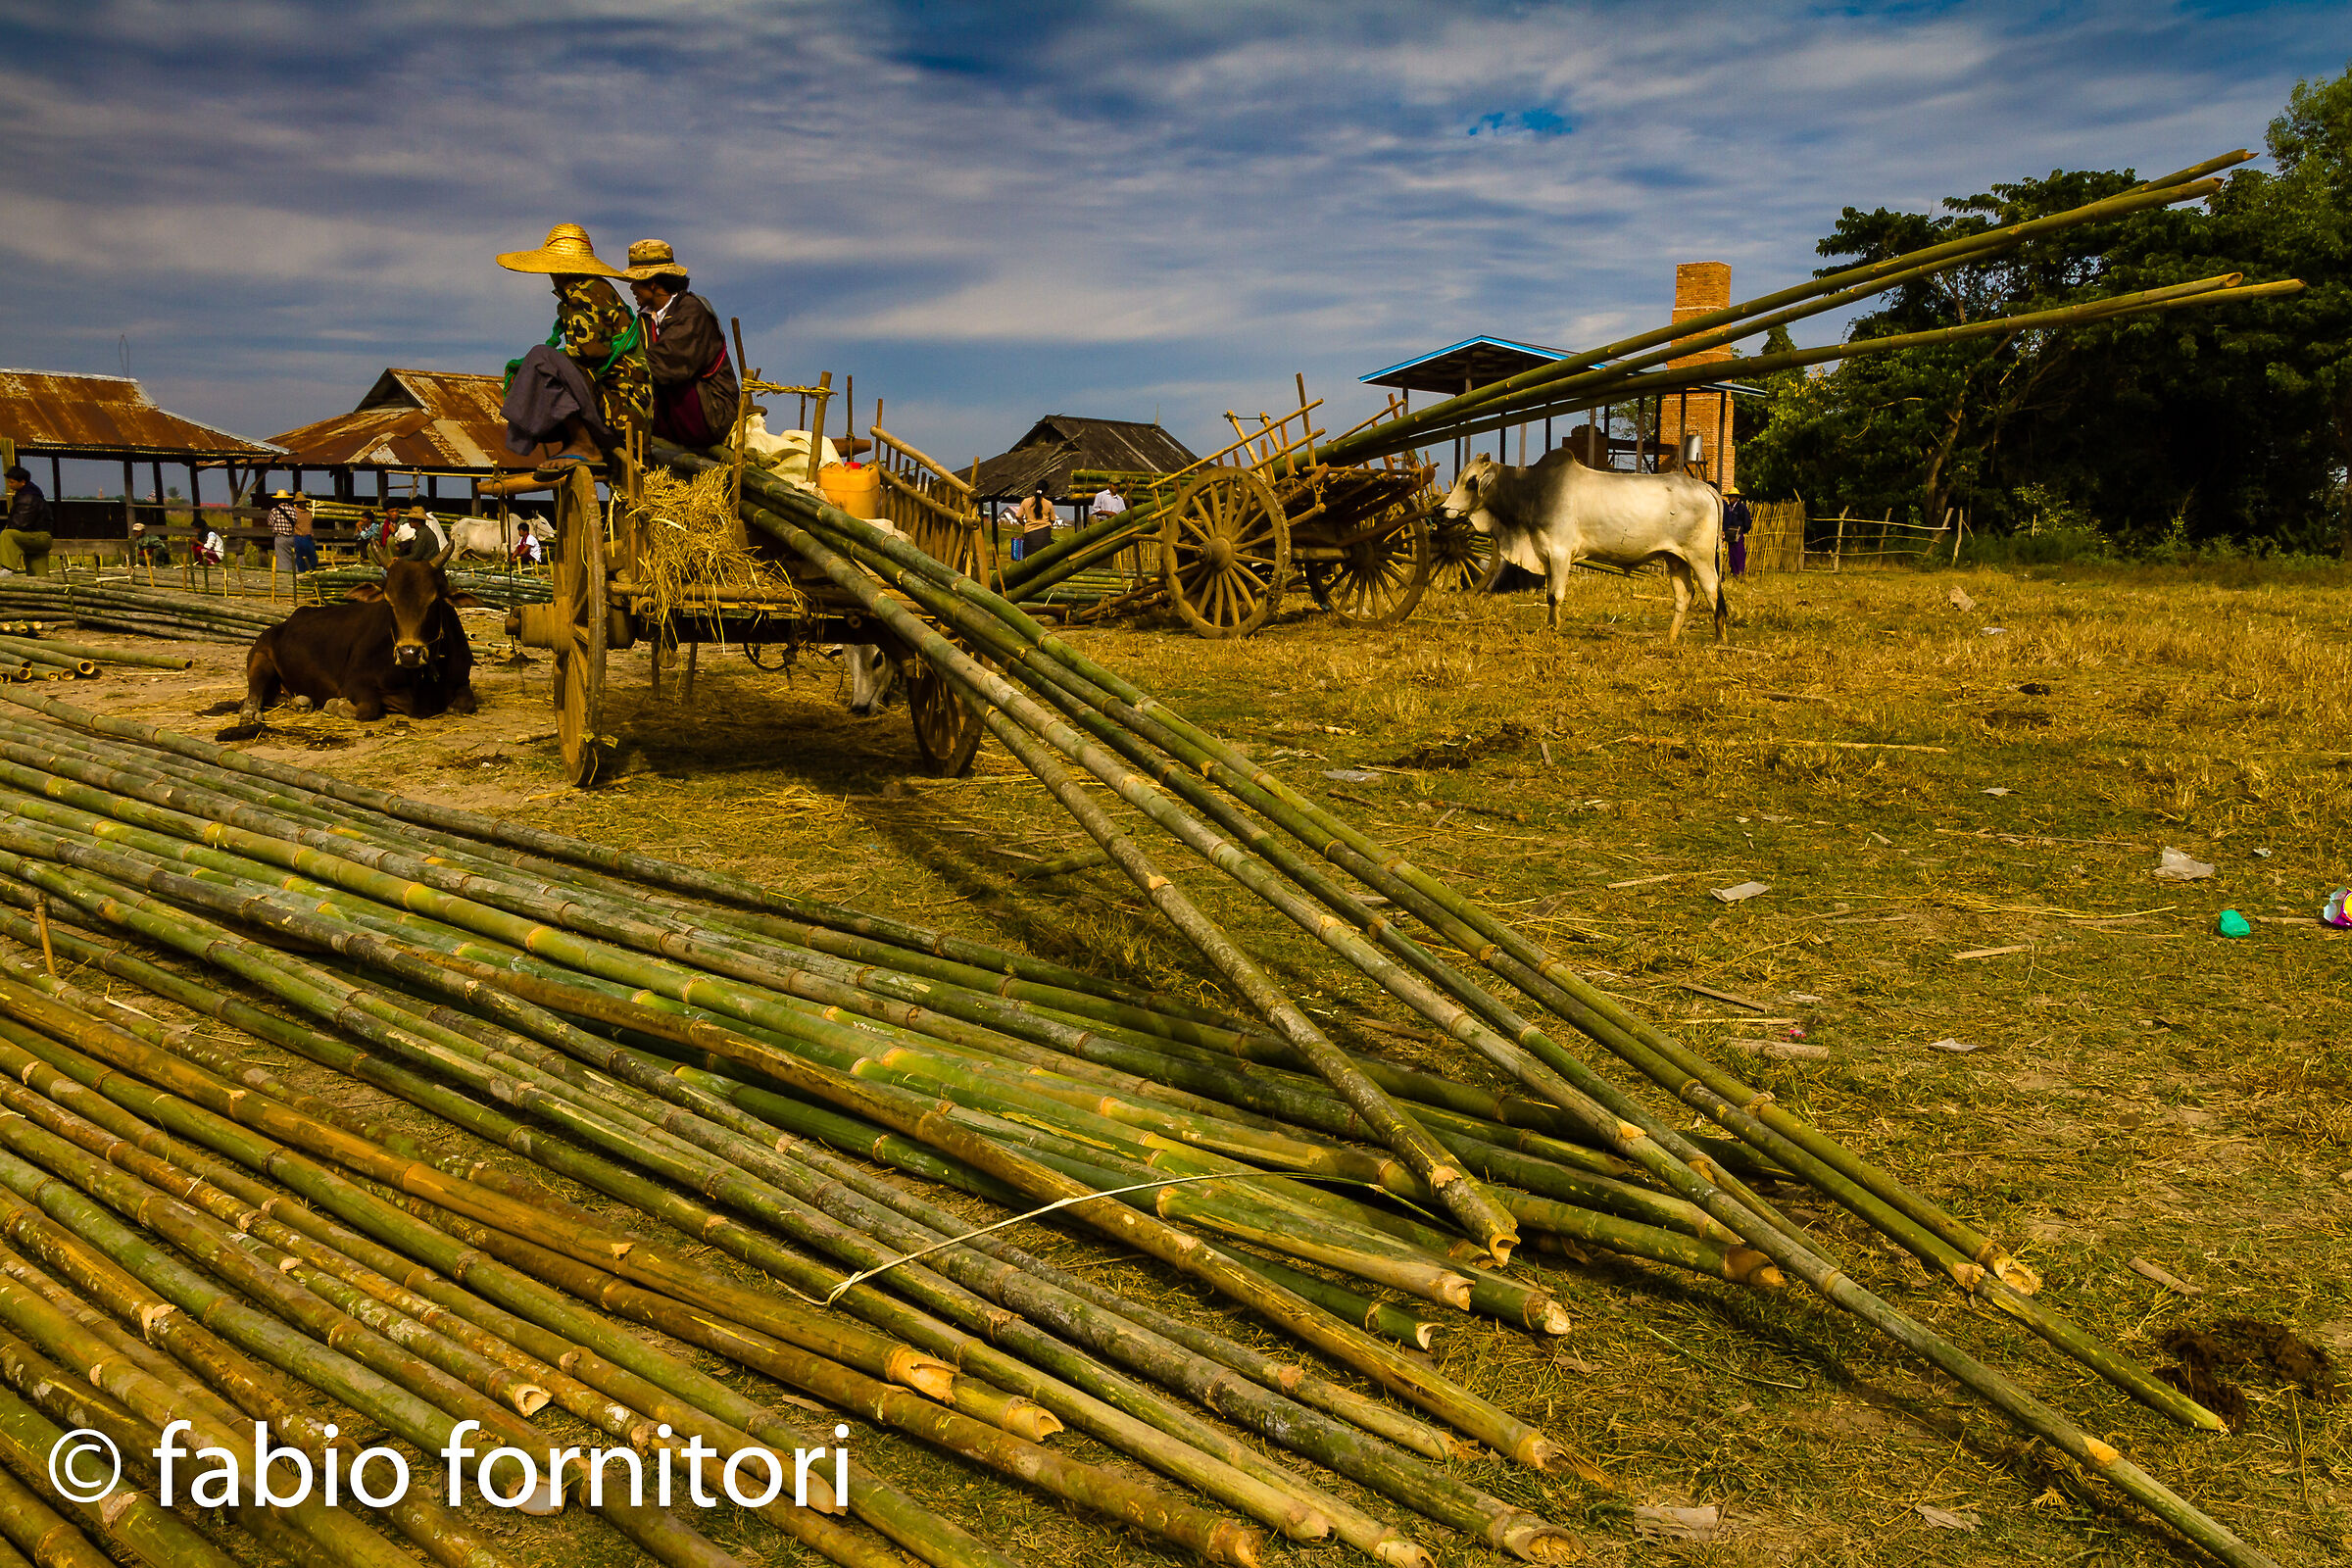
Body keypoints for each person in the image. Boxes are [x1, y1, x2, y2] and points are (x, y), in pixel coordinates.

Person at [496, 223, 650, 478]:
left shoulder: (585, 293)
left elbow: (590, 352)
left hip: (623, 408)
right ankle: (576, 441)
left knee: (540, 358)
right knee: (539, 363)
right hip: (620, 402)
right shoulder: (586, 291)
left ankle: (584, 444)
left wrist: (537, 370)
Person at [621, 239, 741, 450]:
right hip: (672, 417)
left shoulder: (692, 311)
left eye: (635, 281)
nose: (631, 287)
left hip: (711, 413)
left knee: (647, 375)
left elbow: (667, 366)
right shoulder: (644, 320)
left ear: (653, 282)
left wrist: (620, 367)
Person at [2, 465, 54, 575]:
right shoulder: (32, 495)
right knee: (39, 577)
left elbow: (19, 524)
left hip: (38, 537)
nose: (9, 485)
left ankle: (7, 569)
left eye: (12, 482)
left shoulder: (28, 499)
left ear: (22, 482)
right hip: (39, 538)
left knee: (7, 535)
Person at [1015, 483, 1057, 560]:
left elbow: (1018, 516)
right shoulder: (1048, 503)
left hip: (1030, 534)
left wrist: (1025, 525)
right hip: (1044, 534)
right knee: (1043, 560)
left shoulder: (1025, 501)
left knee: (1029, 560)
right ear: (1046, 491)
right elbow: (1053, 520)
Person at [266, 487, 302, 575]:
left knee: (282, 559)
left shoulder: (275, 511)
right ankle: (295, 573)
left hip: (280, 537)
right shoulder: (293, 510)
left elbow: (270, 523)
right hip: (292, 537)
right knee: (293, 557)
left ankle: (284, 575)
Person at [1721, 484, 1753, 579]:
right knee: (1732, 554)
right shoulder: (1728, 507)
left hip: (1738, 534)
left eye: (1732, 496)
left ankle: (1740, 573)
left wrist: (1743, 530)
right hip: (1730, 534)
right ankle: (1734, 571)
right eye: (1729, 496)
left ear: (1737, 497)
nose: (1730, 498)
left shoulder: (1741, 508)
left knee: (1739, 553)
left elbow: (1747, 521)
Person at [291, 492, 319, 574]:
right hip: (299, 537)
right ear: (298, 503)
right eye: (302, 502)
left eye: (304, 502)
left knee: (313, 559)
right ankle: (301, 573)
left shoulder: (308, 513)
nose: (304, 504)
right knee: (300, 559)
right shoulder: (294, 513)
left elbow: (310, 525)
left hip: (308, 537)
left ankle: (309, 572)